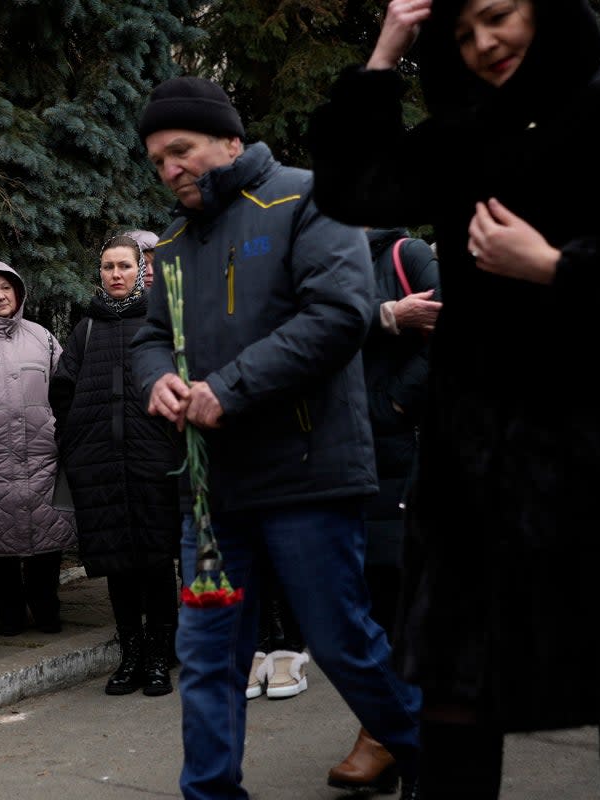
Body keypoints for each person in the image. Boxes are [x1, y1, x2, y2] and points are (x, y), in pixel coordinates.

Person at [307, 1, 600, 797]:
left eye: (497, 16)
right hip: (475, 475)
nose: (482, 44)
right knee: (457, 709)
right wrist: (388, 46)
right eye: (461, 34)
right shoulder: (465, 132)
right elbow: (354, 188)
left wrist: (560, 267)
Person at [128, 76, 422, 800]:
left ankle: (429, 752)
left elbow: (339, 314)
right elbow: (149, 337)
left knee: (342, 643)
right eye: (157, 160)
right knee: (207, 657)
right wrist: (155, 379)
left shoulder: (306, 200)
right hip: (212, 493)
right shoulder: (168, 242)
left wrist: (229, 389)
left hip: (306, 474)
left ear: (229, 141)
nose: (169, 169)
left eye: (181, 150)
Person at [327, 229, 440, 793]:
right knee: (367, 606)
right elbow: (308, 331)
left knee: (403, 603)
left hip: (401, 452)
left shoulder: (406, 255)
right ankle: (393, 736)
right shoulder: (319, 258)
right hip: (343, 459)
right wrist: (387, 315)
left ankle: (393, 740)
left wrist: (392, 403)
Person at [51, 235, 181, 697]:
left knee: (156, 561)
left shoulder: (159, 323)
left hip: (153, 463)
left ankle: (160, 656)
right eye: (107, 267)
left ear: (140, 270)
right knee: (118, 566)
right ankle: (130, 655)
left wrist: (171, 444)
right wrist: (76, 446)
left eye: (124, 266)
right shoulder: (85, 328)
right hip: (101, 464)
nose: (116, 274)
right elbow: (63, 391)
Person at [0, 261, 75, 636]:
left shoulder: (42, 337)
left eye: (5, 288)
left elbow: (64, 388)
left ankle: (46, 607)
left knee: (47, 537)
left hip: (41, 455)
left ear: (18, 292)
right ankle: (8, 609)